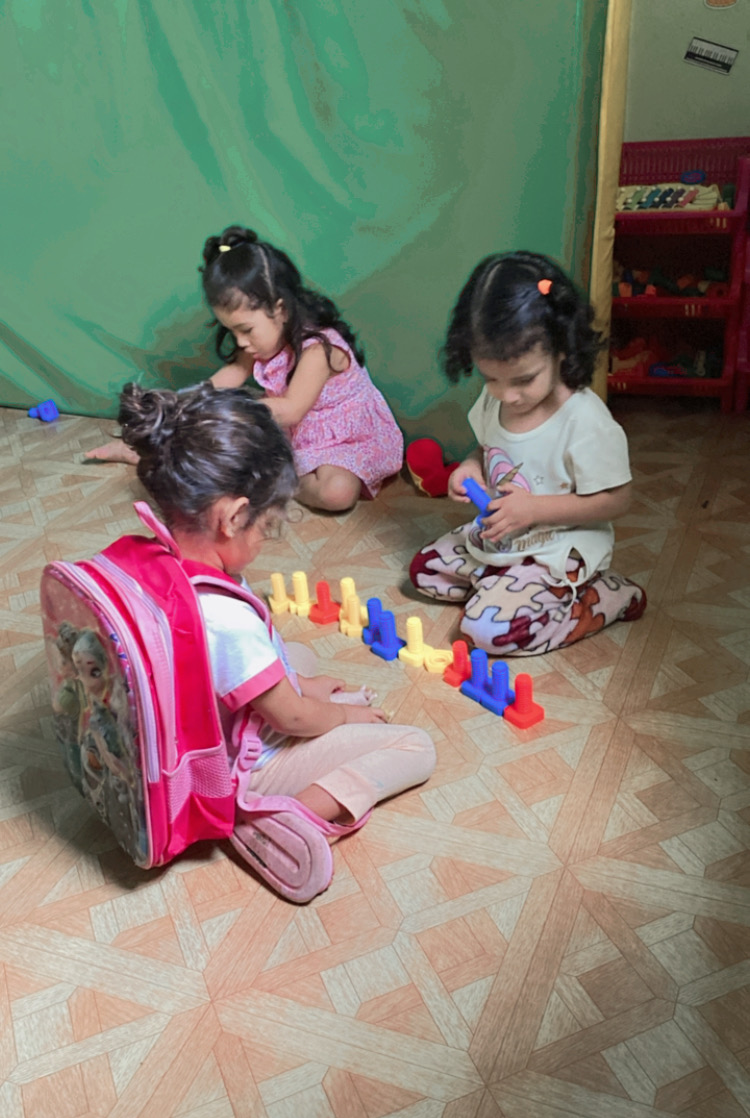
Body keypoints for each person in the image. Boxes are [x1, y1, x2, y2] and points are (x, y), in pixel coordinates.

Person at [117, 380, 435, 897]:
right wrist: (341, 716)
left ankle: (288, 717)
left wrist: (301, 683)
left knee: (297, 655)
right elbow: (292, 719)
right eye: (265, 527)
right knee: (415, 746)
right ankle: (280, 815)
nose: (265, 539)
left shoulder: (160, 557)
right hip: (242, 765)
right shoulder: (226, 618)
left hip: (196, 724)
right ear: (232, 517)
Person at [409, 252, 647, 655]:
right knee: (423, 571)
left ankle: (603, 596)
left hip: (557, 544)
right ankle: (505, 587)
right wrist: (470, 466)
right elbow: (488, 445)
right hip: (506, 537)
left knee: (487, 633)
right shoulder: (497, 398)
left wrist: (534, 510)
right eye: (491, 378)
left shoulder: (585, 421)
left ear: (562, 349)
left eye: (524, 379)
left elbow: (618, 500)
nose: (507, 395)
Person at [91, 228, 404, 512]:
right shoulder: (260, 341)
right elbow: (231, 375)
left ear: (280, 309)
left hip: (343, 440)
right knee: (210, 433)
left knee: (336, 493)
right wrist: (181, 405)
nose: (241, 341)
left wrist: (231, 410)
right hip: (290, 434)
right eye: (232, 331)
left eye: (246, 330)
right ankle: (145, 451)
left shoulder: (319, 348)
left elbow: (292, 409)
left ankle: (274, 477)